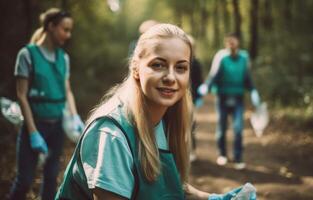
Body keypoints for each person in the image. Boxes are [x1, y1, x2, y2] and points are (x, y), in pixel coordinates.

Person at [55, 24, 255, 200]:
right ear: (136, 68)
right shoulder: (112, 134)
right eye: (158, 65)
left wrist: (211, 198)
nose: (170, 77)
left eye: (181, 68)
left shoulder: (167, 117)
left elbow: (163, 185)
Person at [9, 8, 84, 200]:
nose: (68, 35)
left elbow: (67, 90)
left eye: (70, 30)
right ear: (51, 26)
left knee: (51, 178)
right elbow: (22, 95)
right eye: (65, 29)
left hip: (57, 126)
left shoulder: (63, 58)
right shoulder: (27, 55)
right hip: (34, 126)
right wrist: (33, 132)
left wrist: (74, 116)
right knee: (24, 180)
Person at [198, 33, 261, 169]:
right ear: (226, 44)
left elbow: (247, 78)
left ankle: (238, 158)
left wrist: (253, 91)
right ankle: (222, 154)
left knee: (238, 129)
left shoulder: (244, 58)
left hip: (238, 98)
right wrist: (206, 86)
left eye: (233, 42)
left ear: (238, 43)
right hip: (222, 97)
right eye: (229, 42)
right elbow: (214, 75)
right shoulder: (222, 57)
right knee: (222, 126)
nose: (231, 44)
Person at [187, 35, 204, 162]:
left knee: (191, 124)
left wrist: (199, 97)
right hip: (177, 98)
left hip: (191, 98)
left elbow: (199, 81)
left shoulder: (196, 64)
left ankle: (192, 150)